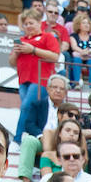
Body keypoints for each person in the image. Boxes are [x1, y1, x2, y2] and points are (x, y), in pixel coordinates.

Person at [12, 10, 60, 145]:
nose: (28, 26)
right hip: (23, 80)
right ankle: (31, 136)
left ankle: (17, 139)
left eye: (31, 23)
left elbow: (55, 56)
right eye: (26, 24)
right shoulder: (21, 40)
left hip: (41, 79)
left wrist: (33, 50)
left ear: (39, 23)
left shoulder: (48, 37)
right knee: (28, 109)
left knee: (26, 107)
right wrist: (16, 52)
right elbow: (12, 62)